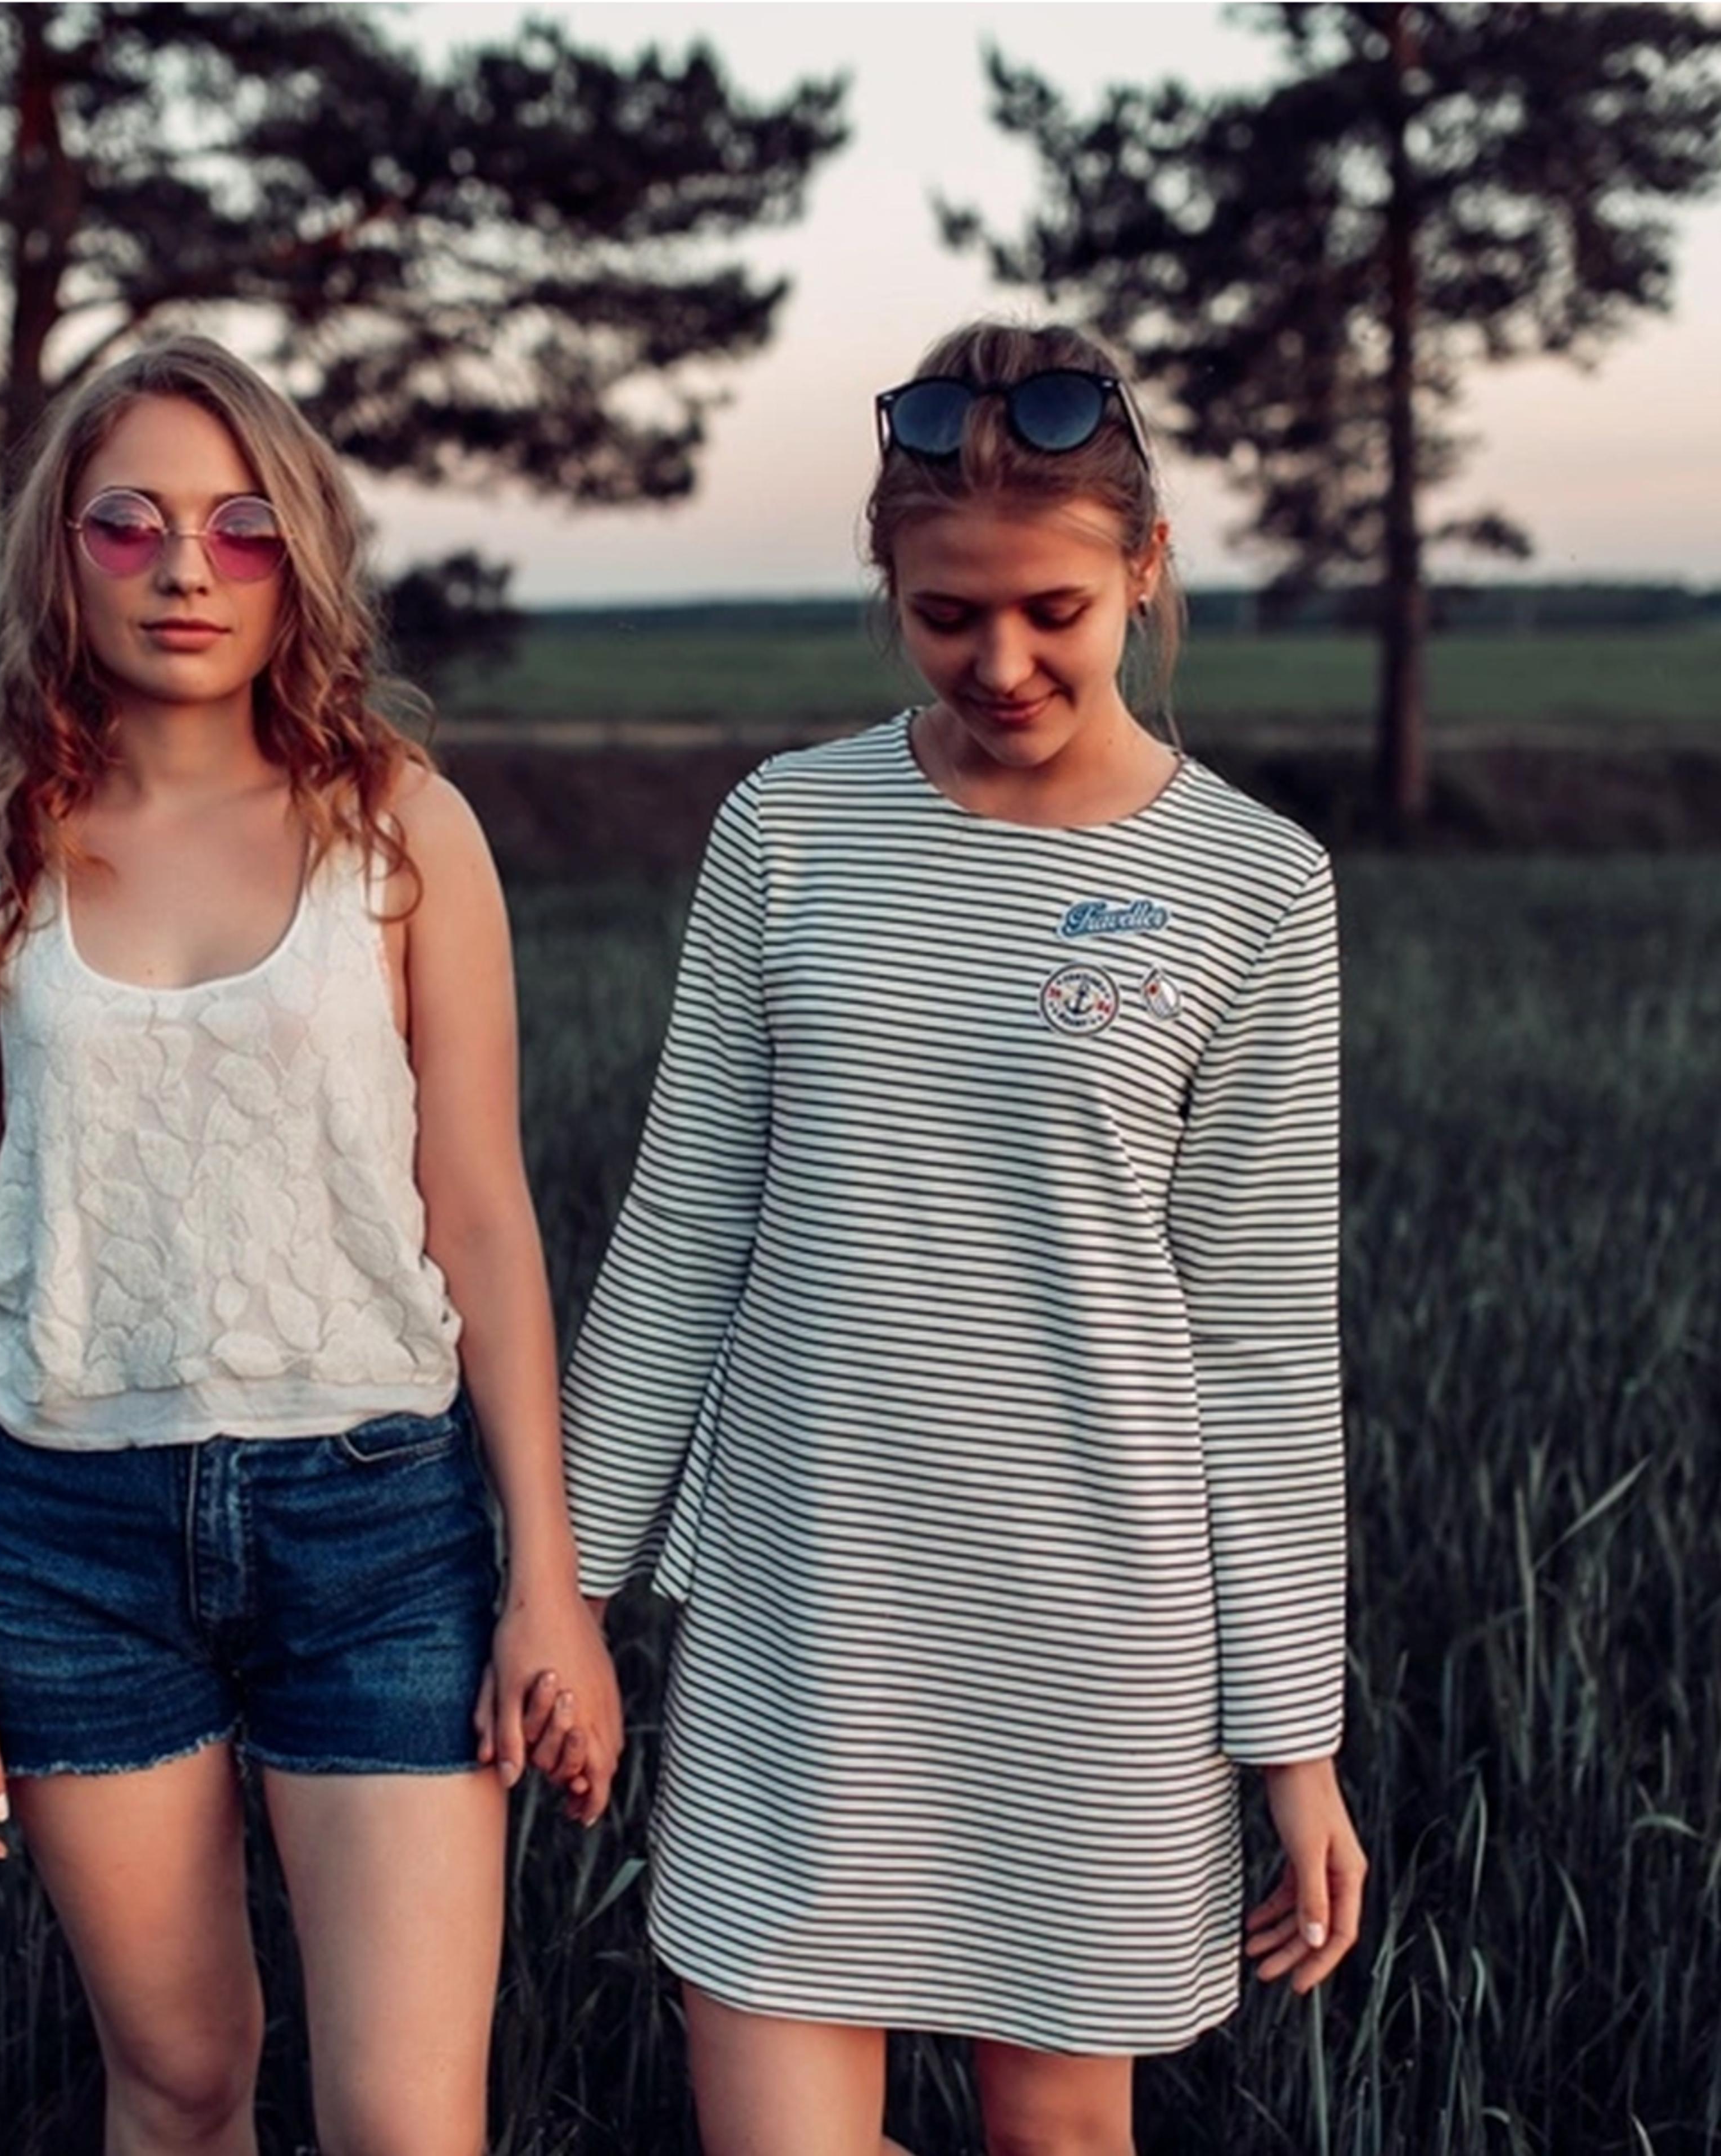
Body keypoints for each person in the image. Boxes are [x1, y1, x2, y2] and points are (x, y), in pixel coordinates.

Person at [561, 321, 1367, 2156]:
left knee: (1061, 2136)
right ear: (889, 587)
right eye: (948, 616)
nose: (1001, 661)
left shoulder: (1259, 887)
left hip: (1095, 1633)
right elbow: (687, 1219)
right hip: (809, 1603)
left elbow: (1256, 1348)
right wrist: (574, 1587)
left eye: (1055, 611)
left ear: (1146, 570)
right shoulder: (788, 828)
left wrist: (1294, 1749)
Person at [0, 333, 620, 2156]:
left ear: (300, 559)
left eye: (239, 529)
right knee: (186, 2084)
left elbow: (487, 1220)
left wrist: (551, 1582)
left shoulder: (404, 834)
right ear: (63, 555)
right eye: (128, 527)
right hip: (67, 1549)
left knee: (403, 2125)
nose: (186, 571)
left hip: (380, 1526)